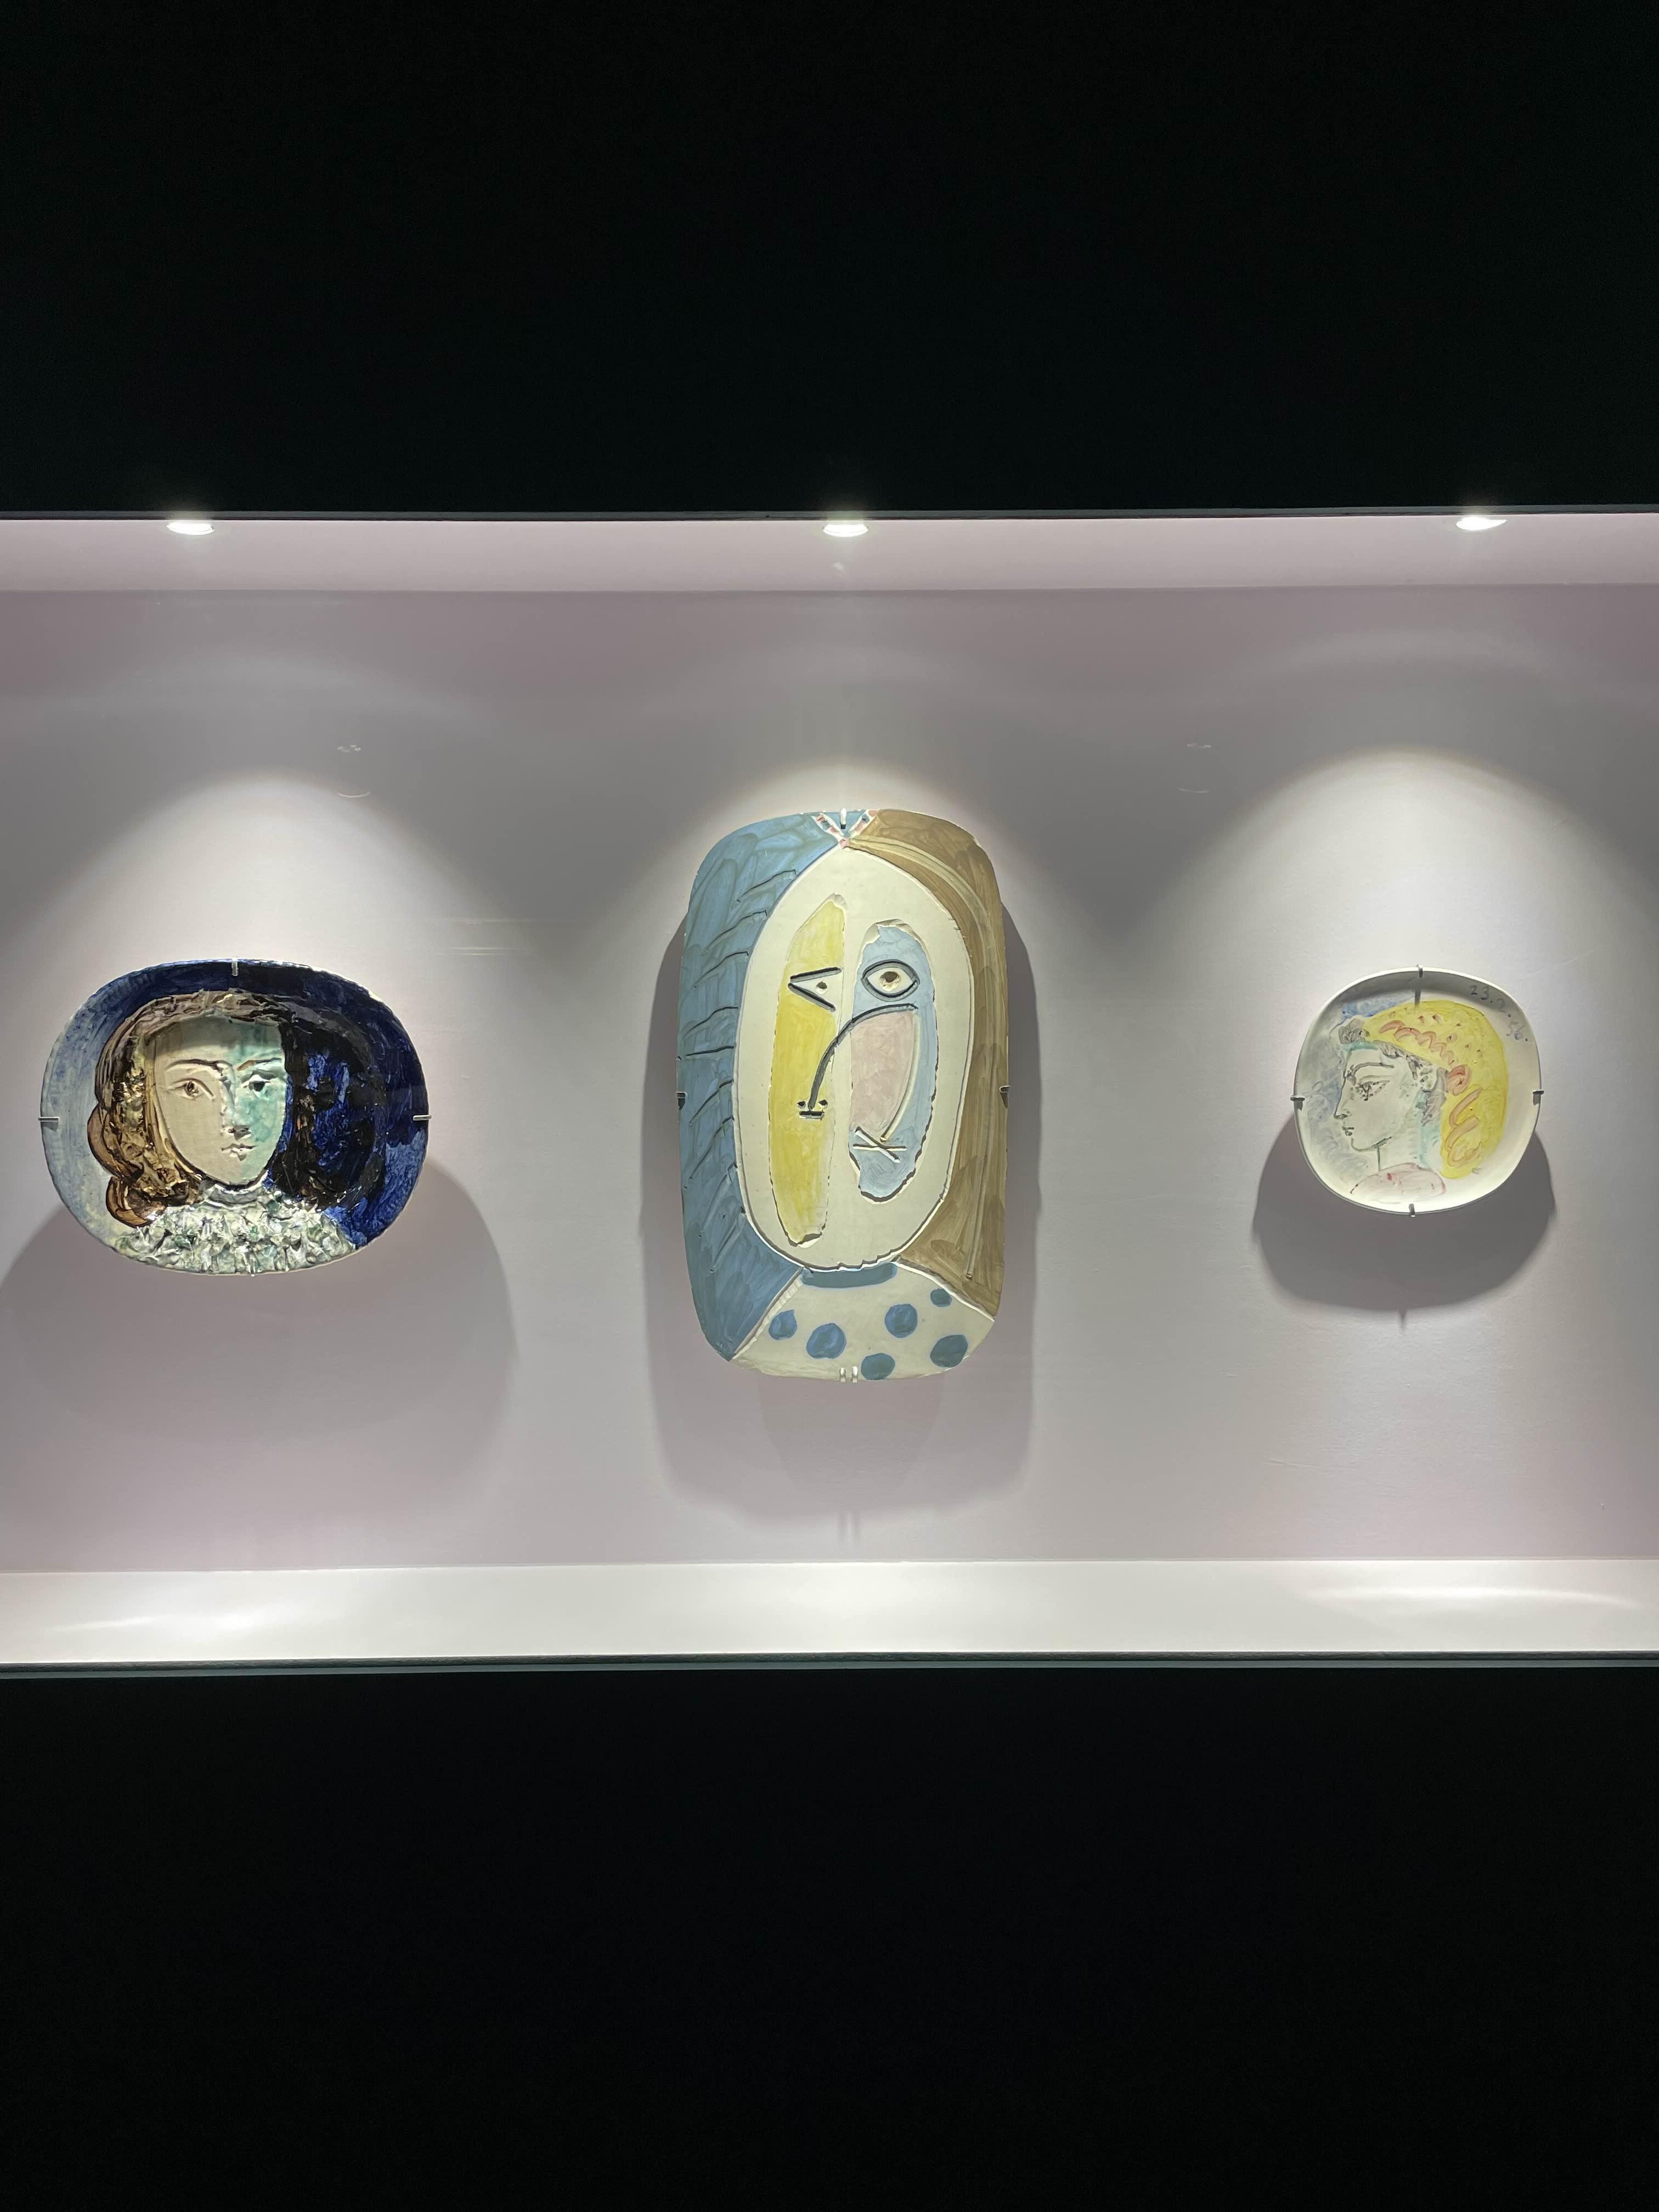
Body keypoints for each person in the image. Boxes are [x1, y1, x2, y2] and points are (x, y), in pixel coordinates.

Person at [88, 988, 357, 1272]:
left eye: (259, 1084)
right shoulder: (145, 1248)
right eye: (192, 1088)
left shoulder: (319, 1239)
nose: (237, 1119)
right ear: (143, 1101)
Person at [1331, 996, 1507, 1204]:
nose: (1340, 1110)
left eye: (1367, 1086)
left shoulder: (1400, 1190)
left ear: (1425, 1078)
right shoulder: (1378, 1189)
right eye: (1347, 1088)